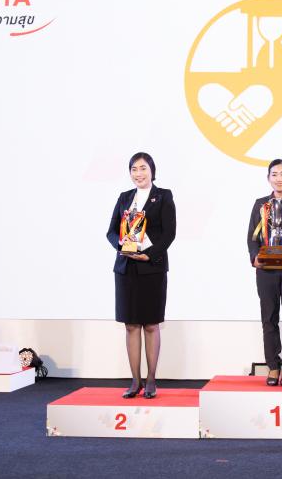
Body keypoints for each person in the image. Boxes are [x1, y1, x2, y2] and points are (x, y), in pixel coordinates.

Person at [106, 152, 176, 399]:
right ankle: (135, 380)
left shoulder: (164, 196)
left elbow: (169, 233)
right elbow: (111, 231)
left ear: (152, 170)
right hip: (126, 269)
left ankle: (151, 380)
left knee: (151, 325)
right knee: (131, 325)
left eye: (143, 168)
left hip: (152, 268)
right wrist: (121, 246)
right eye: (134, 169)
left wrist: (150, 255)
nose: (139, 173)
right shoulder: (124, 197)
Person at [246, 159, 282, 386]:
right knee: (268, 318)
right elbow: (252, 235)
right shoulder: (260, 204)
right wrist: (254, 257)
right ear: (268, 178)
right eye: (274, 174)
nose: (279, 178)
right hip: (266, 270)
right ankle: (273, 366)